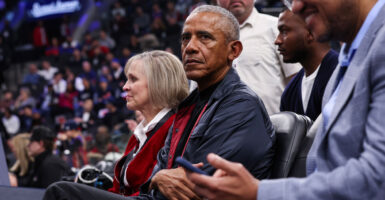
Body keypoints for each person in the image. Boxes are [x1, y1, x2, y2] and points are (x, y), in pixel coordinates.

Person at [186, 0, 385, 199]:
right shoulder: (349, 57)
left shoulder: (378, 47)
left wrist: (259, 192)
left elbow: (377, 177)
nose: (296, 7)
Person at [141, 5, 275, 200]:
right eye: (186, 38)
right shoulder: (187, 106)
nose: (190, 47)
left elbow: (194, 187)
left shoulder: (242, 106)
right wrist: (158, 178)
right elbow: (157, 178)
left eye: (205, 37)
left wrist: (158, 179)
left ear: (233, 50)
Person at [43, 50, 190, 198]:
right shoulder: (139, 135)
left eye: (133, 79)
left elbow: (156, 193)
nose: (125, 87)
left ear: (158, 83)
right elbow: (118, 189)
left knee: (59, 191)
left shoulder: (174, 128)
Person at [216, 0, 301, 115]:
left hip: (274, 126)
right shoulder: (208, 36)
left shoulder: (276, 27)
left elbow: (296, 78)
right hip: (222, 127)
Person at [276, 10, 338, 121]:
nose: (277, 40)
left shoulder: (341, 74)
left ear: (310, 33)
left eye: (284, 32)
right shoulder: (290, 92)